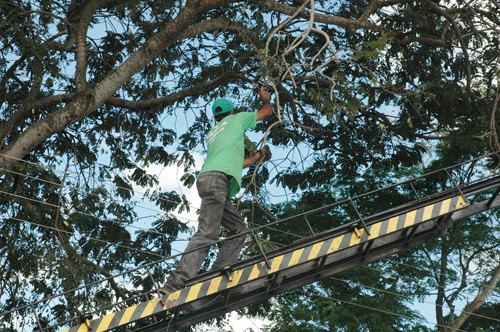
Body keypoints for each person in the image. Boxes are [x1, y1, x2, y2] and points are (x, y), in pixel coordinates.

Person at [159, 87, 273, 299]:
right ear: (231, 112)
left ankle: (218, 274)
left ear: (216, 117)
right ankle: (175, 284)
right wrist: (266, 98)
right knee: (207, 233)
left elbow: (235, 162)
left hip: (210, 180)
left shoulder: (214, 133)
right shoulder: (237, 119)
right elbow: (266, 112)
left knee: (239, 229)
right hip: (217, 181)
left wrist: (258, 156)